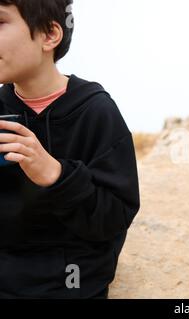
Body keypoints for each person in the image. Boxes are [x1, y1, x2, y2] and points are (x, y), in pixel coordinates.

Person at [0, 0, 140, 298]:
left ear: (50, 35)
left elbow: (114, 218)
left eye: (0, 23)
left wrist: (56, 175)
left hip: (70, 281)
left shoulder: (95, 111)